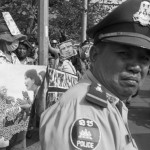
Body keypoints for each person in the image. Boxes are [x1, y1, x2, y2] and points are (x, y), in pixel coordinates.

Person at [40, 0, 150, 149]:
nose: (136, 67)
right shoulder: (84, 111)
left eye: (144, 58)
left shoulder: (110, 102)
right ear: (94, 55)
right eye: (124, 54)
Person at [24, 69, 46, 138]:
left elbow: (40, 113)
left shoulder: (41, 94)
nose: (24, 82)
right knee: (33, 112)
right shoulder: (36, 91)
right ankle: (29, 130)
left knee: (37, 112)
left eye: (26, 78)